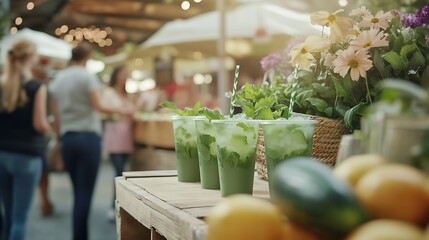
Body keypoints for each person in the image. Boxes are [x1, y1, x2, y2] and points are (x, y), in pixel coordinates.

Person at [49, 42, 130, 240]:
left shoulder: (58, 79)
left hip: (68, 139)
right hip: (88, 139)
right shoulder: (87, 77)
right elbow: (98, 106)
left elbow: (55, 114)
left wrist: (59, 141)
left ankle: (79, 235)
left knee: (77, 191)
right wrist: (122, 109)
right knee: (84, 194)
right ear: (88, 56)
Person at [0, 39, 51, 240]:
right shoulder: (36, 86)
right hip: (27, 157)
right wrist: (50, 128)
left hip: (2, 154)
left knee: (9, 214)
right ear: (30, 57)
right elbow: (39, 124)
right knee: (20, 218)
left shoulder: (1, 85)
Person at [102, 65, 137, 221]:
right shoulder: (108, 92)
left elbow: (132, 110)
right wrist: (124, 110)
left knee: (123, 172)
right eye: (122, 74)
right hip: (114, 136)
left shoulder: (126, 95)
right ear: (116, 75)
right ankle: (113, 206)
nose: (123, 77)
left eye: (126, 74)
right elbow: (105, 110)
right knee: (118, 172)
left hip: (126, 137)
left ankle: (119, 206)